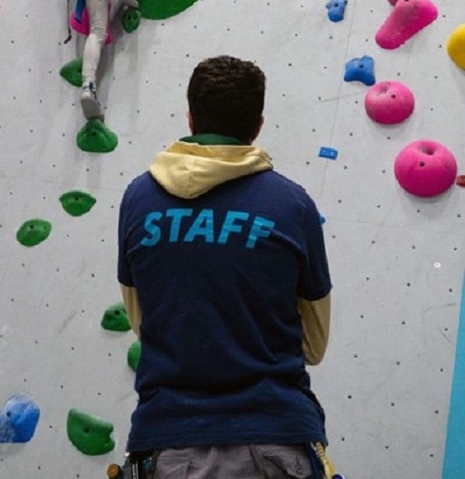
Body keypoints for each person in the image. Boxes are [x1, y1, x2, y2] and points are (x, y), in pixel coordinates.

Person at [117, 55, 333, 479]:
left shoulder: (138, 200)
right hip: (277, 439)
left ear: (191, 117)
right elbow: (314, 345)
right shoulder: (292, 205)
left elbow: (141, 321)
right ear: (257, 126)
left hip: (167, 442)